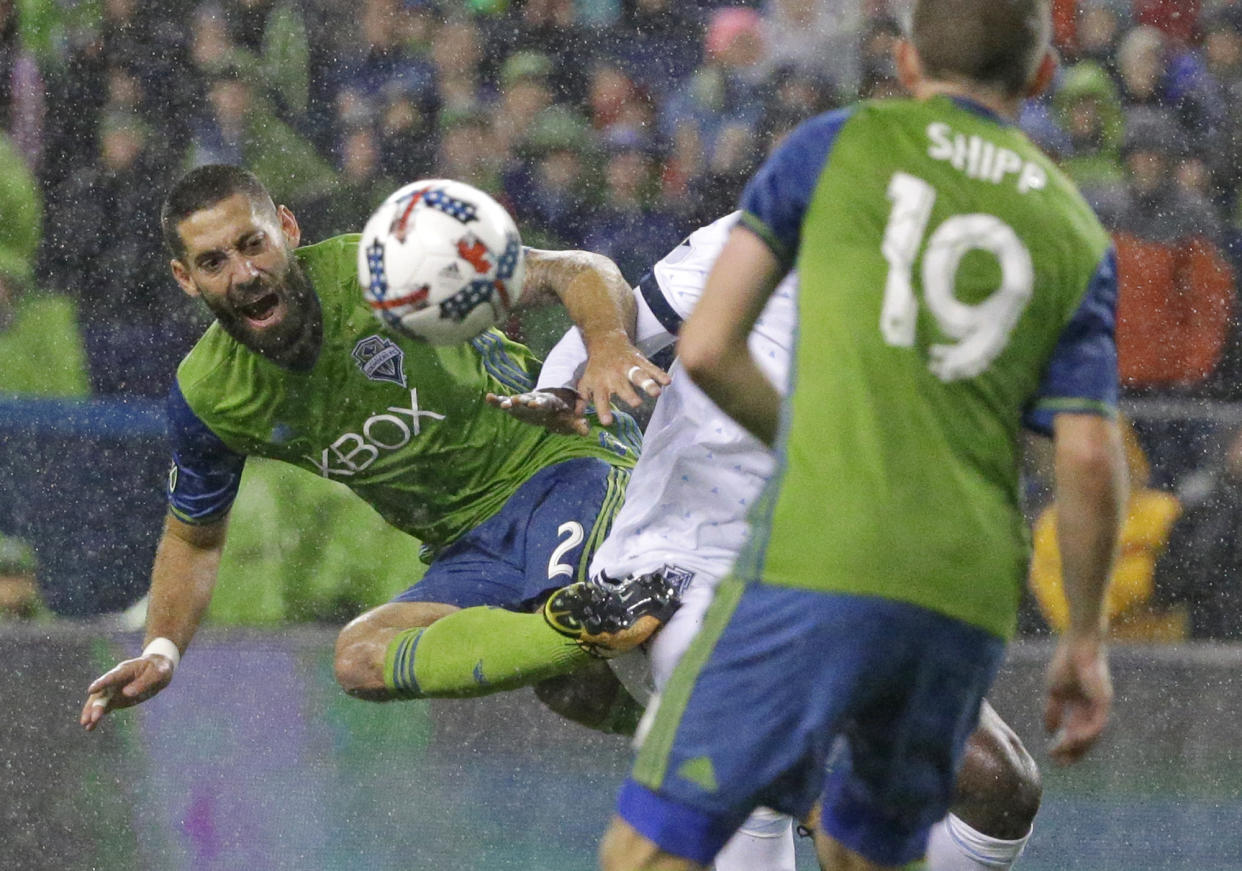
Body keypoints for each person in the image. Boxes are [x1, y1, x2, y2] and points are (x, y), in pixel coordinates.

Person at [597, 1, 1127, 868]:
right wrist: (1085, 641)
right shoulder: (1072, 228)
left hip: (819, 556)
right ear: (1038, 79)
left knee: (647, 847)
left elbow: (709, 347)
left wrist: (814, 447)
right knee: (867, 846)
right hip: (956, 585)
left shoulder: (835, 149)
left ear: (910, 66)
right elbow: (1087, 456)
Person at [502, 212, 1042, 871]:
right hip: (688, 565)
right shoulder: (761, 233)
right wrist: (562, 384)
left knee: (999, 784)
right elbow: (621, 317)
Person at [79, 164, 671, 731]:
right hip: (465, 548)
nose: (244, 274)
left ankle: (626, 659)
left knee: (568, 628)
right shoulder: (209, 396)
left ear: (288, 228)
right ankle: (689, 731)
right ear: (185, 279)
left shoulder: (390, 266)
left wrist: (608, 343)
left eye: (252, 243)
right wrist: (162, 650)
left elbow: (575, 269)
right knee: (365, 659)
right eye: (213, 261)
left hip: (563, 467)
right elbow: (193, 537)